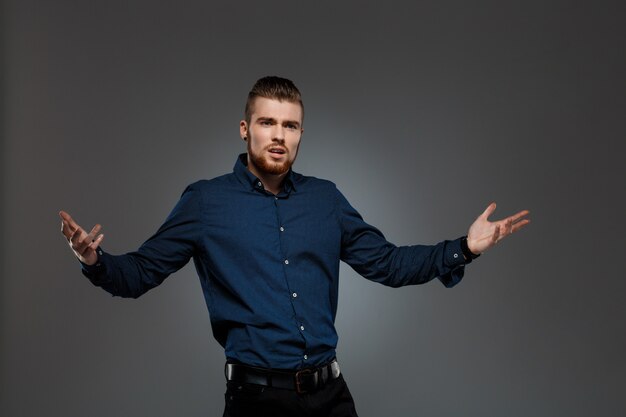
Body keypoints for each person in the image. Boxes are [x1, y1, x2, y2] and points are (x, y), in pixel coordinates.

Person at [59, 76, 530, 417]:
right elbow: (140, 273)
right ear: (246, 130)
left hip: (331, 396)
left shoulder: (326, 200)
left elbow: (387, 263)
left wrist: (465, 247)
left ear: (301, 134)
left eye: (290, 125)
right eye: (267, 123)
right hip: (257, 402)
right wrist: (93, 259)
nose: (279, 135)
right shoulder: (205, 202)